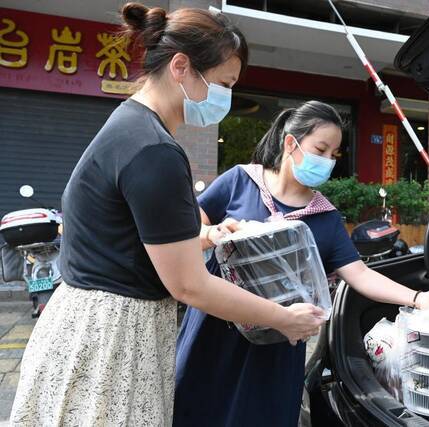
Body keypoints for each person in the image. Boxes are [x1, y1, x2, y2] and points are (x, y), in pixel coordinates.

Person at [10, 4, 324, 426]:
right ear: (181, 66)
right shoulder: (154, 150)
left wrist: (210, 236)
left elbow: (133, 237)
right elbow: (190, 286)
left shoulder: (130, 125)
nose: (226, 98)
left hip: (86, 325)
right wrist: (284, 319)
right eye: (224, 84)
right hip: (113, 339)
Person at [174, 101, 429, 426]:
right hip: (216, 329)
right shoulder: (239, 181)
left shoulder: (325, 217)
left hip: (276, 347)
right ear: (290, 143)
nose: (327, 161)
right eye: (321, 149)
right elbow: (186, 229)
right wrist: (211, 233)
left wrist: (419, 298)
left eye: (334, 154)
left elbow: (359, 275)